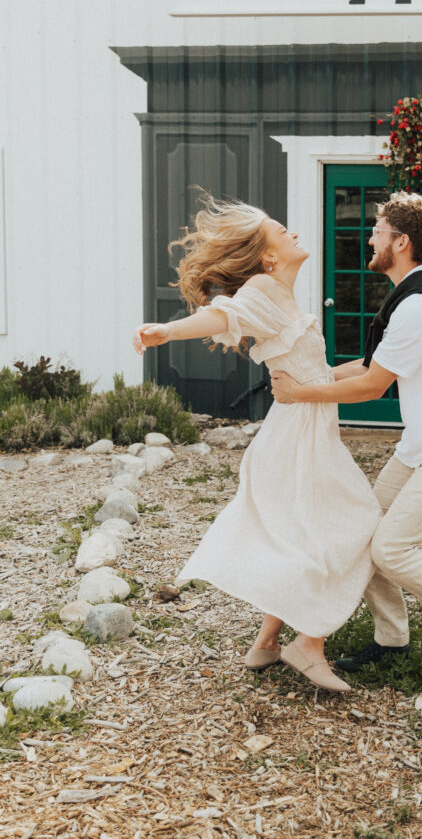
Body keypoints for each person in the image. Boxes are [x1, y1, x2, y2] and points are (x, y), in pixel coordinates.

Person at [133, 195, 381, 693]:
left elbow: (316, 375)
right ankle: (308, 645)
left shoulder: (286, 298)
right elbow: (221, 317)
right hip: (296, 440)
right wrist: (166, 331)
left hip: (307, 433)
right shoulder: (264, 289)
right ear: (268, 257)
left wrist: (376, 367)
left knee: (302, 534)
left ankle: (267, 642)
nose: (292, 233)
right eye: (281, 231)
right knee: (352, 526)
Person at [271, 190, 422, 680]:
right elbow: (371, 364)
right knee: (364, 531)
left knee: (392, 548)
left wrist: (300, 394)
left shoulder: (420, 307)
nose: (370, 238)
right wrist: (310, 374)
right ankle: (392, 637)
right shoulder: (417, 297)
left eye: (378, 231)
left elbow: (375, 384)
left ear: (401, 242)